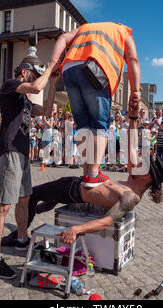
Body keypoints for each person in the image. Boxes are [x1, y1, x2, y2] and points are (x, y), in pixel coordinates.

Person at [2, 105, 163, 247]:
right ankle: (40, 209)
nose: (138, 163)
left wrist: (77, 229)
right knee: (43, 199)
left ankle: (20, 237)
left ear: (148, 177)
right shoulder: (134, 179)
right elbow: (132, 145)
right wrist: (132, 117)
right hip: (74, 185)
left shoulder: (131, 197)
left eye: (143, 165)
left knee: (31, 195)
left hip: (70, 191)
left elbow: (107, 221)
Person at [0, 54, 60, 280]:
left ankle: (21, 239)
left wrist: (54, 82)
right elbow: (37, 87)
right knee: (4, 205)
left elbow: (47, 112)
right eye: (34, 74)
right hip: (10, 150)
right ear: (24, 72)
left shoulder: (25, 100)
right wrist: (49, 69)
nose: (36, 79)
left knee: (25, 198)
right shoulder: (11, 85)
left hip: (22, 153)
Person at [50, 22, 141, 188]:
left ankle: (86, 172)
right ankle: (93, 174)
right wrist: (135, 91)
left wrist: (54, 64)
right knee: (100, 124)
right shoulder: (123, 32)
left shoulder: (85, 28)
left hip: (69, 68)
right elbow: (133, 59)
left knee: (84, 125)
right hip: (94, 68)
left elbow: (62, 38)